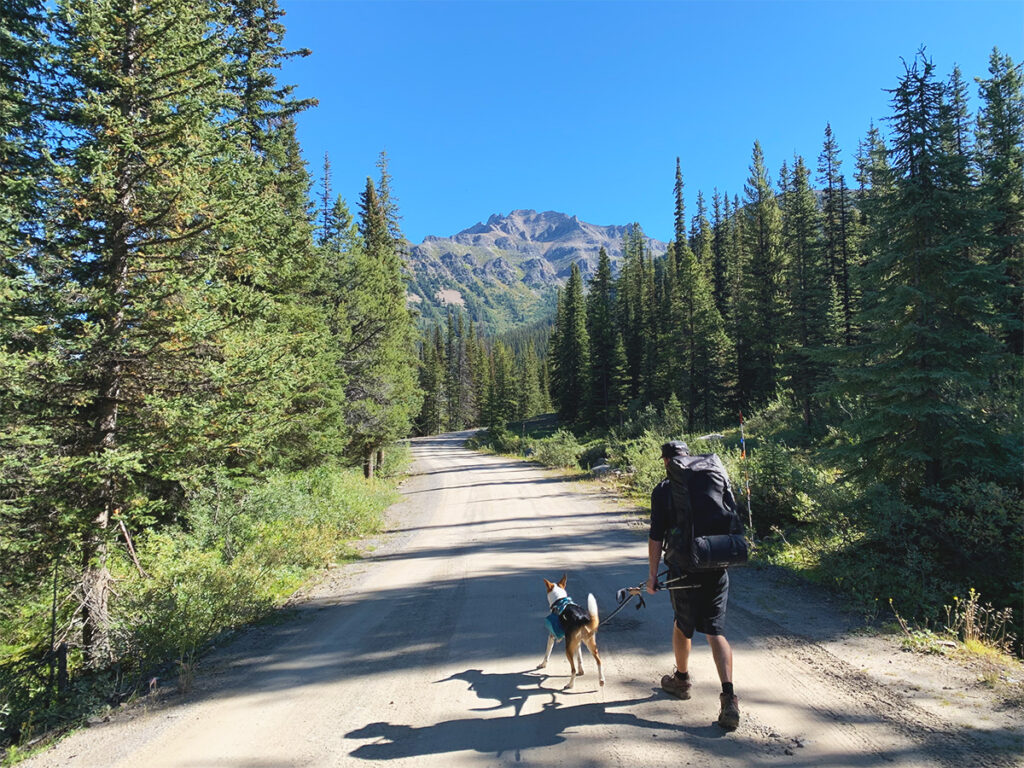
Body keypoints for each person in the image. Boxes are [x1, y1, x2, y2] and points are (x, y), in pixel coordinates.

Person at [646, 440, 740, 731]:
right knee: (715, 631)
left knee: (681, 624)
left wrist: (652, 576)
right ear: (688, 458)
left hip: (683, 567)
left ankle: (682, 680)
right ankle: (729, 697)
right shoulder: (712, 477)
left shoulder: (664, 489)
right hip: (716, 562)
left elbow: (656, 538)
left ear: (666, 461)